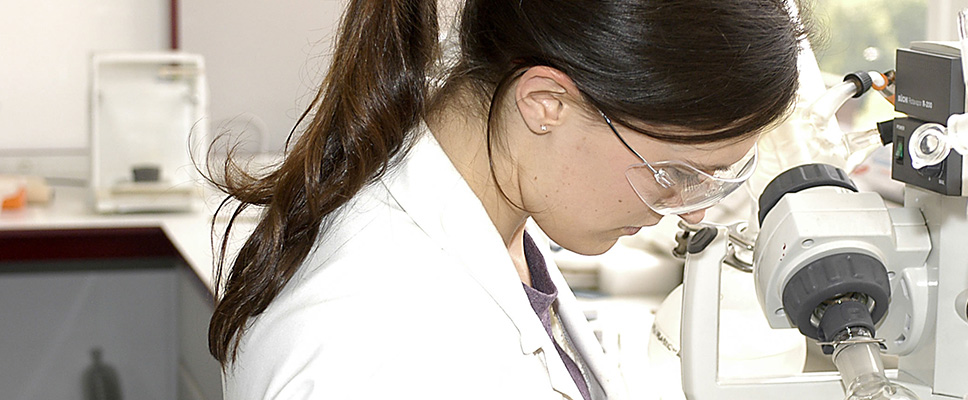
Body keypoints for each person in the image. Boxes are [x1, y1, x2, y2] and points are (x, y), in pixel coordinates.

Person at [206, 0, 809, 398]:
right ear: (546, 103)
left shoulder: (496, 216)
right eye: (675, 173)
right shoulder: (372, 347)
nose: (694, 210)